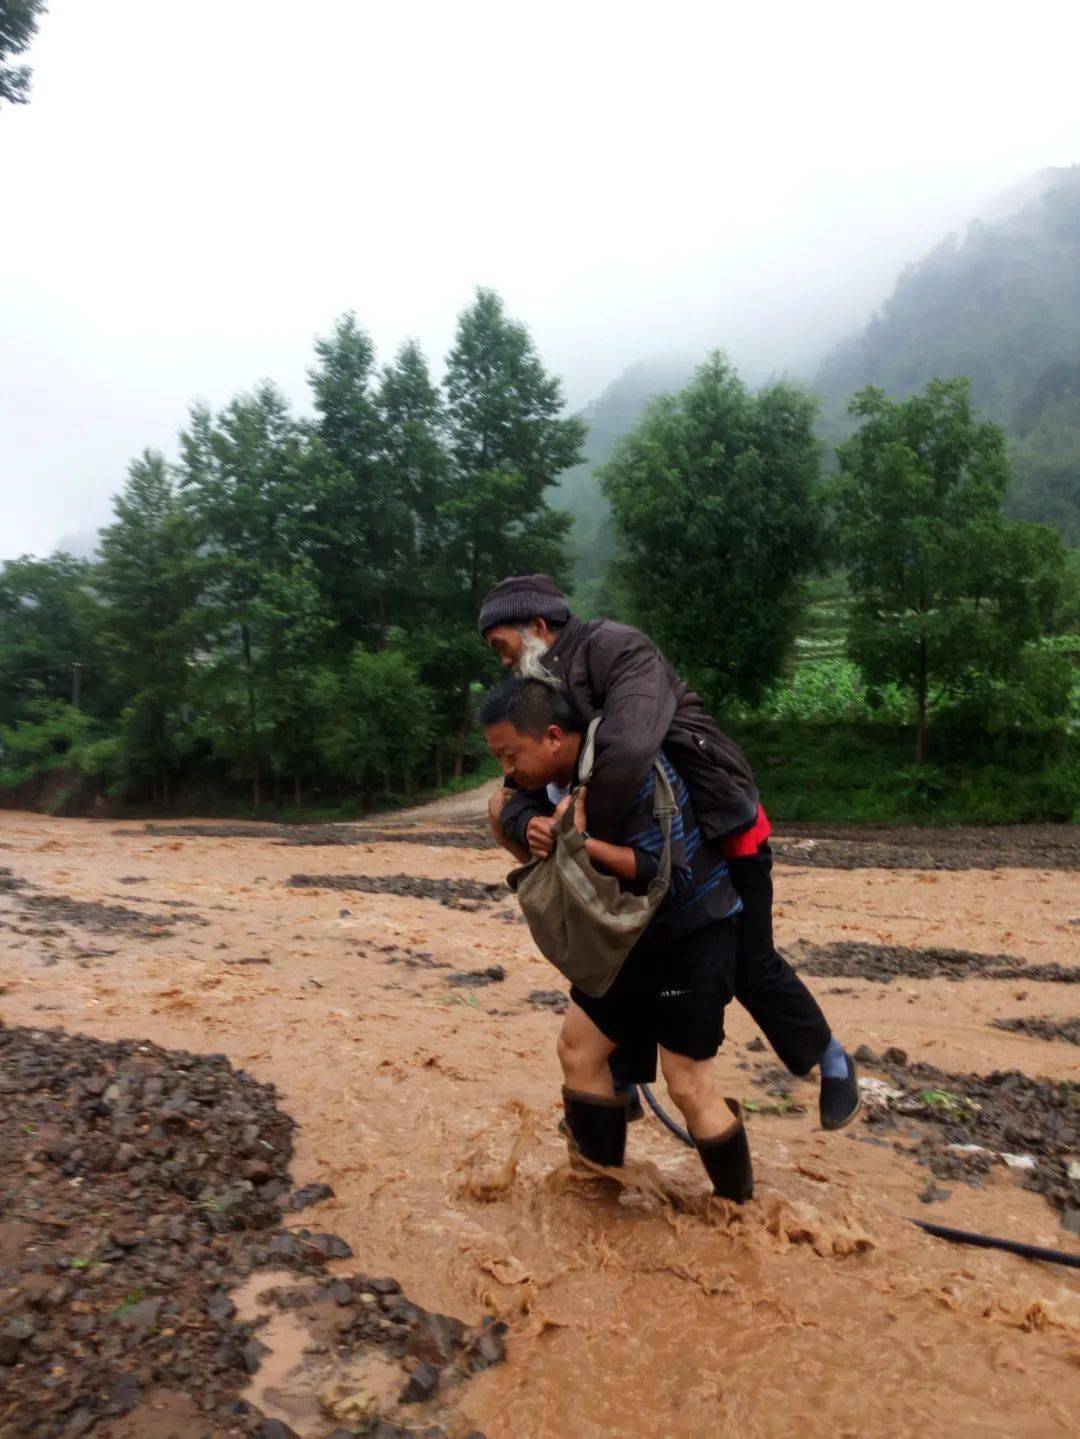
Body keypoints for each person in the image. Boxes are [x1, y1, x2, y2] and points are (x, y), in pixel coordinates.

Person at [478, 572, 860, 1131]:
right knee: (625, 954)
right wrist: (531, 819)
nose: (505, 664)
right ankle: (624, 1086)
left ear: (537, 628)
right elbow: (525, 782)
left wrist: (576, 831)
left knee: (748, 964)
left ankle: (831, 1061)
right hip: (640, 845)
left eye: (503, 649)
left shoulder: (618, 648)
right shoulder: (543, 689)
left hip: (718, 825)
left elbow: (629, 748)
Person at [478, 676, 753, 1200]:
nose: (507, 771)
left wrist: (580, 843)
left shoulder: (632, 770)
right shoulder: (554, 777)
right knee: (579, 1050)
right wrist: (532, 821)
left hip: (689, 936)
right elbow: (510, 802)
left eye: (512, 757)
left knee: (687, 1084)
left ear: (554, 737)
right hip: (626, 941)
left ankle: (739, 1212)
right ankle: (598, 1194)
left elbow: (667, 874)